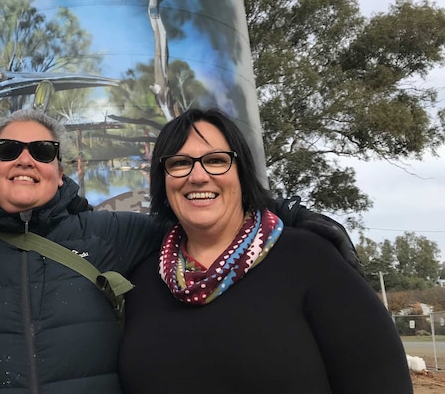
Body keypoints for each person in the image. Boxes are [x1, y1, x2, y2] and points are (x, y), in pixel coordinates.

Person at [0, 109, 363, 394]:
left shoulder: (111, 234)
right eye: (9, 150)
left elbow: (202, 208)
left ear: (59, 174)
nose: (25, 160)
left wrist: (294, 217)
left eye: (43, 151)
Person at [118, 108, 412, 393]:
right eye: (180, 163)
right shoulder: (143, 281)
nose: (197, 176)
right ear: (163, 179)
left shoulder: (310, 260)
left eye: (217, 160)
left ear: (243, 174)